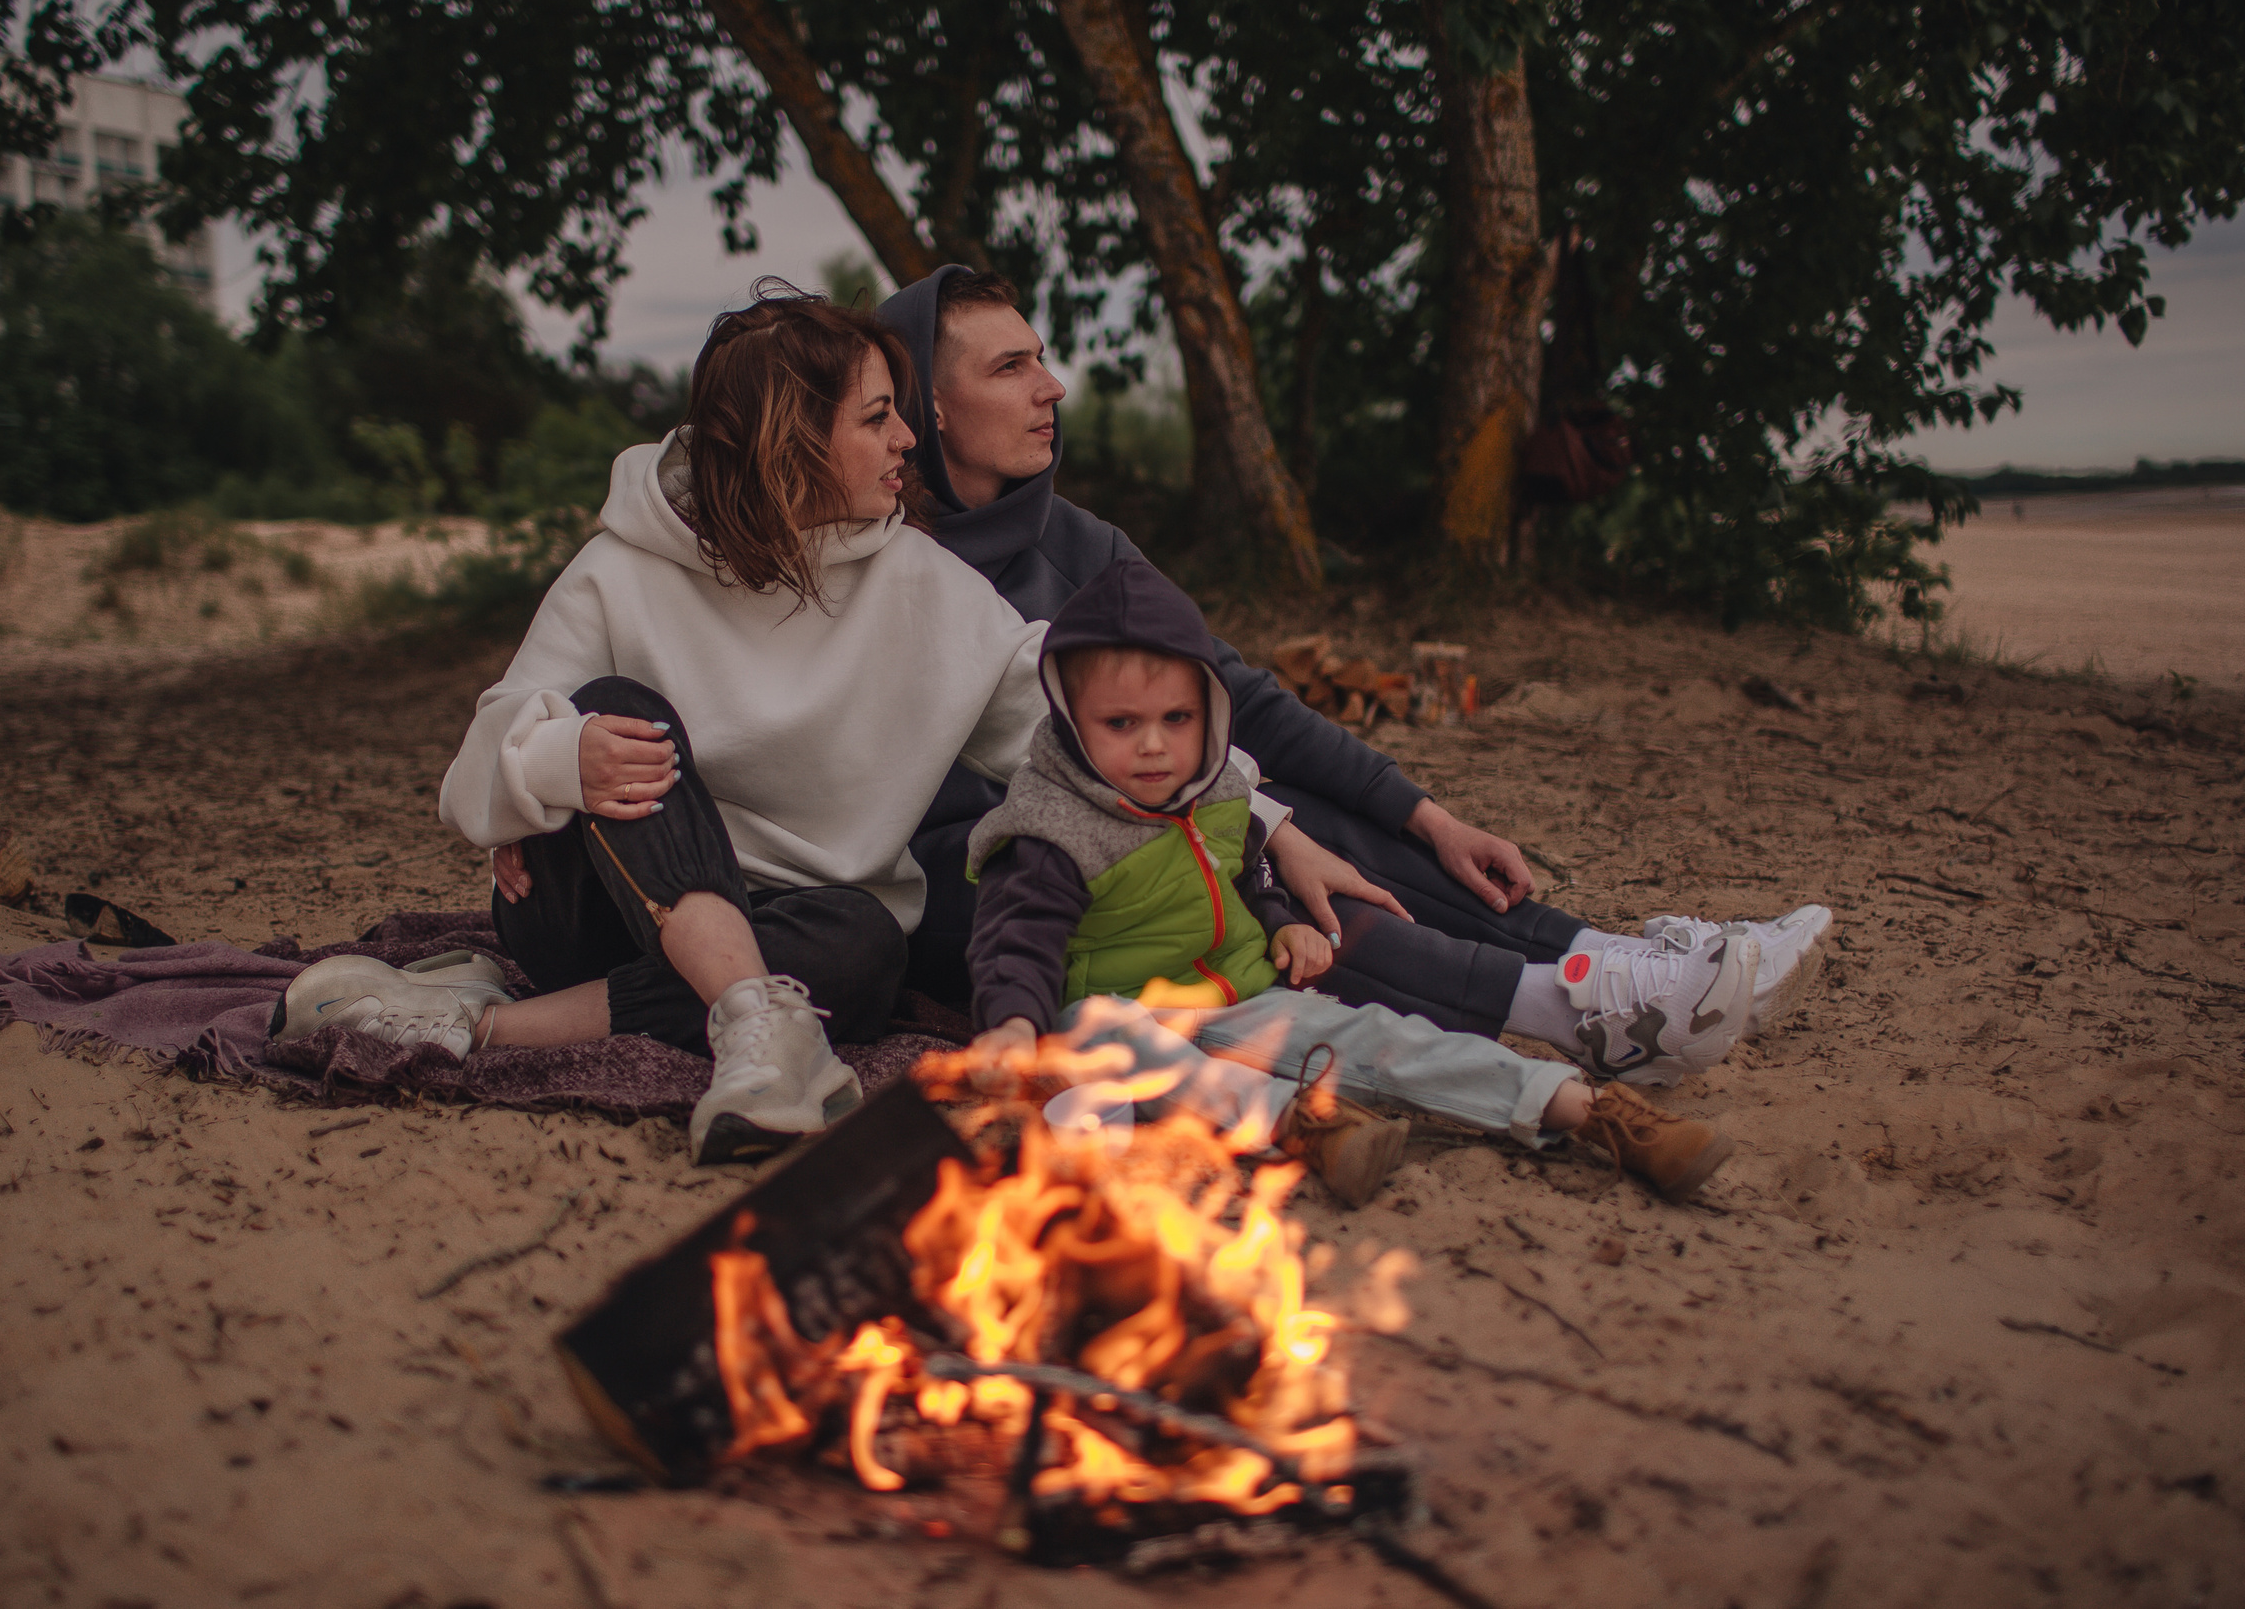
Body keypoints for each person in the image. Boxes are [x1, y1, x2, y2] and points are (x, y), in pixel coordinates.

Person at [876, 266, 1832, 1048]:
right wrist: (1264, 828)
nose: (1051, 387)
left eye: (1043, 358)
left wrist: (1429, 815)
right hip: (1000, 881)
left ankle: (1606, 957)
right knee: (1229, 844)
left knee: (1296, 802)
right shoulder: (893, 576)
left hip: (1146, 810)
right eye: (1011, 367)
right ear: (933, 409)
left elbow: (1239, 696)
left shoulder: (1079, 543)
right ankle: (1571, 1004)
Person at [273, 284, 1047, 1164]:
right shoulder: (623, 567)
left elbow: (1063, 718)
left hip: (790, 926)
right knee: (616, 709)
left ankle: (485, 1022)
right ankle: (758, 1023)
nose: (909, 437)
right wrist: (563, 759)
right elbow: (482, 757)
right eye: (877, 418)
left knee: (867, 948)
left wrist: (1190, 770)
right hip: (595, 912)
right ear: (789, 439)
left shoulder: (923, 584)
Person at [964, 559, 1749, 1205]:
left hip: (1239, 996)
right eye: (1120, 723)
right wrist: (1013, 1022)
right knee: (1106, 1039)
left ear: (1208, 711)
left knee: (1381, 1037)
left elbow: (1246, 871)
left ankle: (1583, 1107)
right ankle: (1306, 1124)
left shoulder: (1219, 788)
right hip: (1122, 1011)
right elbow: (1016, 939)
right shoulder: (1051, 827)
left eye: (1176, 719)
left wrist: (1280, 922)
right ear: (1070, 718)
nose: (1153, 747)